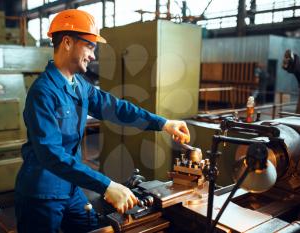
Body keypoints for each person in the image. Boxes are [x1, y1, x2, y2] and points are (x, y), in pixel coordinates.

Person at [14, 9, 190, 233]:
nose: (93, 56)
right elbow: (51, 155)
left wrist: (163, 123)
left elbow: (115, 108)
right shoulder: (43, 93)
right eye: (89, 46)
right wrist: (107, 186)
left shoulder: (79, 84)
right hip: (42, 193)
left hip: (71, 187)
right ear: (67, 42)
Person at [282, 49, 300, 113]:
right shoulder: (294, 66)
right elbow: (289, 70)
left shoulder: (296, 62)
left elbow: (293, 69)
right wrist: (285, 65)